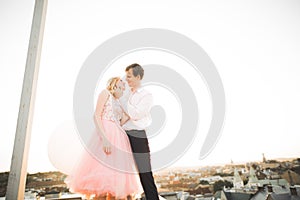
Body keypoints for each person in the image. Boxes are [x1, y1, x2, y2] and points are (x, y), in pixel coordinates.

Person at [65, 77, 141, 200]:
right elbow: (96, 116)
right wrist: (105, 139)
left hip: (119, 137)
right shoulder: (105, 93)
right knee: (101, 181)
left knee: (117, 184)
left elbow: (122, 121)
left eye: (123, 87)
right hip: (105, 135)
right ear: (114, 84)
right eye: (120, 85)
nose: (122, 87)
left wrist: (128, 108)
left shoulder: (120, 101)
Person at [120, 63, 160, 200]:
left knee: (144, 172)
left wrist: (123, 102)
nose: (127, 79)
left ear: (138, 77)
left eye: (129, 76)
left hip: (137, 135)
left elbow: (136, 114)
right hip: (122, 135)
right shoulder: (124, 92)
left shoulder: (146, 95)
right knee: (119, 170)